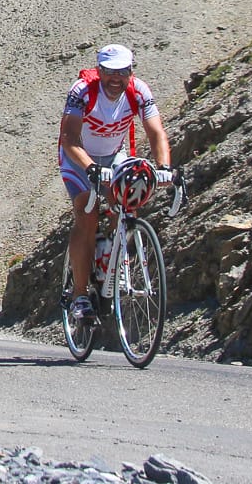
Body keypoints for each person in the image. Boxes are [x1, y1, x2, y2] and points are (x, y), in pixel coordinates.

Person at [58, 43, 175, 323]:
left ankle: (111, 258)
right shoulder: (82, 91)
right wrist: (90, 167)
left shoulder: (140, 91)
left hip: (115, 156)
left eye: (122, 72)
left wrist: (165, 168)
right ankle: (80, 295)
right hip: (78, 157)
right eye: (109, 72)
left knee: (127, 205)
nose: (116, 78)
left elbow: (156, 132)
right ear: (99, 71)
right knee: (86, 212)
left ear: (131, 72)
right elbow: (69, 139)